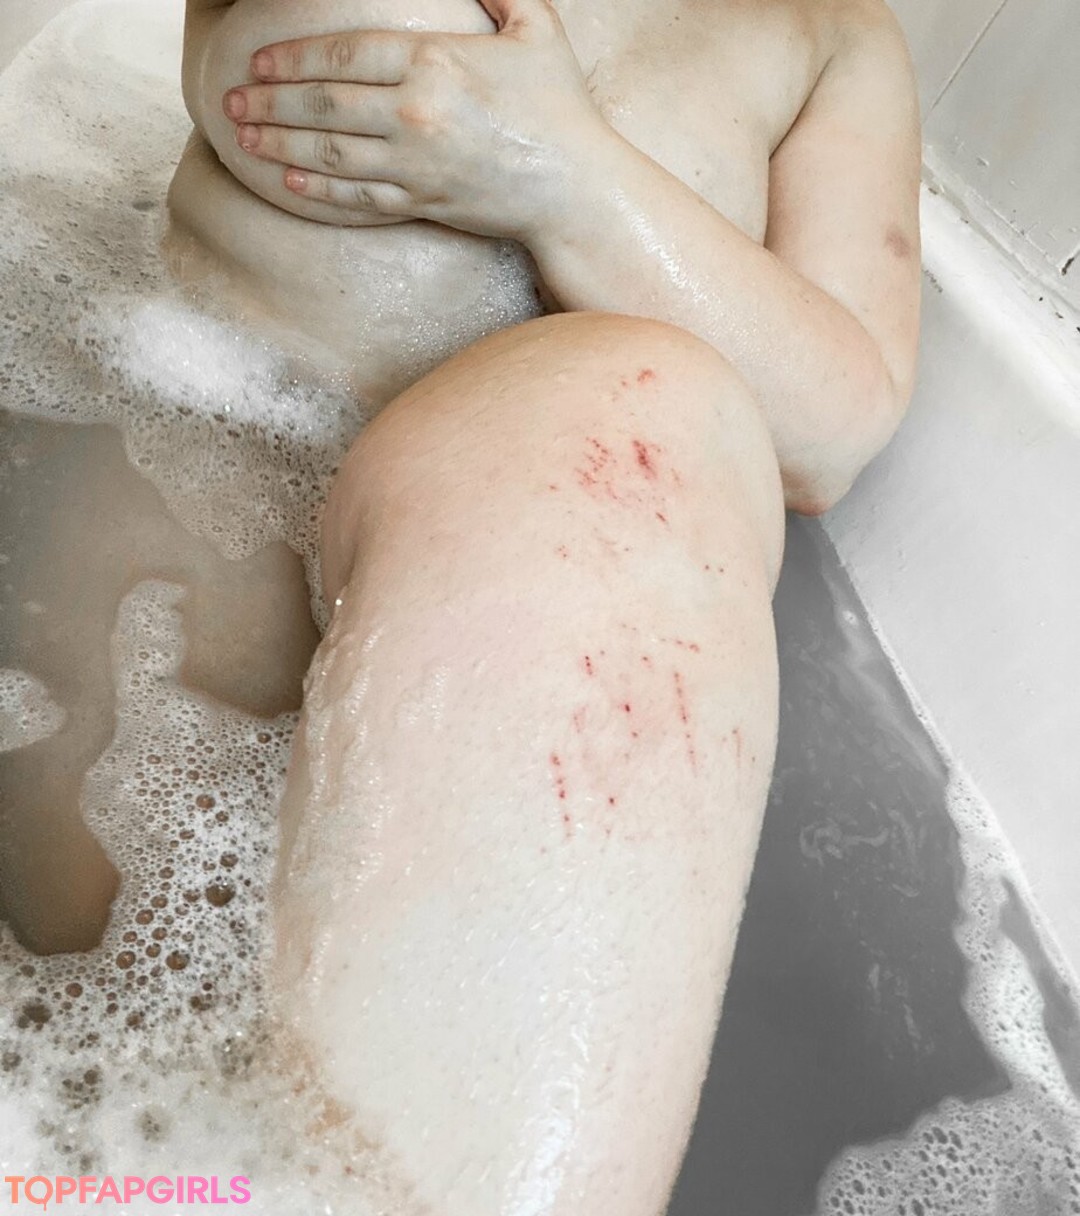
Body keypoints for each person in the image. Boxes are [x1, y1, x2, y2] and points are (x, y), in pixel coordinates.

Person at [169, 0, 922, 1210]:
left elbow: (832, 433)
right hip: (171, 547)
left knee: (629, 420)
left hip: (550, 661)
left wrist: (562, 177)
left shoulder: (833, 33)